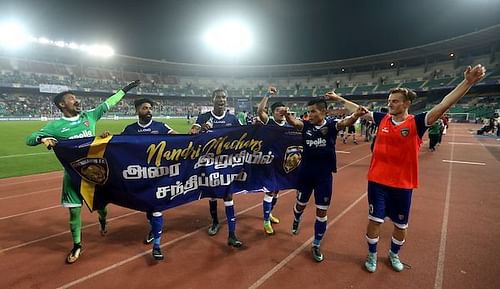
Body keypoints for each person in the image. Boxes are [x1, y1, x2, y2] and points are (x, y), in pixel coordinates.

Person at [357, 65, 485, 273]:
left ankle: (394, 254)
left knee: (401, 226)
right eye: (389, 101)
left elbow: (444, 105)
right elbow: (359, 110)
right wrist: (337, 99)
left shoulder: (417, 122)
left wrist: (468, 82)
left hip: (403, 184)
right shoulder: (382, 119)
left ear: (407, 103)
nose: (390, 104)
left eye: (395, 101)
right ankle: (372, 255)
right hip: (377, 182)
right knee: (374, 221)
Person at [26, 80, 141, 264]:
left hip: (94, 174)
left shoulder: (90, 116)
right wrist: (44, 138)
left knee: (101, 207)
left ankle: (103, 220)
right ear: (62, 104)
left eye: (76, 98)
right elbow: (30, 138)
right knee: (73, 212)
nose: (77, 100)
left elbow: (109, 102)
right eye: (72, 98)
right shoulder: (55, 126)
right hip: (72, 176)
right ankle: (77, 245)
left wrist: (126, 89)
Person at [279, 96, 368, 262]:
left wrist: (355, 115)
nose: (309, 115)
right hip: (305, 175)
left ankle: (316, 244)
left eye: (313, 111)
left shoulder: (332, 125)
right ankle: (297, 218)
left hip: (324, 177)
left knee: (322, 212)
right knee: (300, 205)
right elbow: (295, 123)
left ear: (324, 111)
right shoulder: (305, 126)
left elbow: (345, 123)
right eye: (308, 112)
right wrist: (287, 115)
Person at [122, 98, 177, 260]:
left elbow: (179, 137)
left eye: (150, 108)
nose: (149, 110)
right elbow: (117, 143)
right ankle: (154, 229)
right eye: (145, 108)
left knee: (156, 207)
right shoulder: (130, 129)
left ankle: (157, 246)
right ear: (137, 111)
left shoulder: (160, 126)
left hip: (158, 175)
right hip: (140, 175)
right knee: (148, 207)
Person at [190, 89, 243, 247]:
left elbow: (245, 134)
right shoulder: (203, 117)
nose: (222, 100)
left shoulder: (232, 119)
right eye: (219, 97)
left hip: (226, 162)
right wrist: (201, 129)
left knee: (228, 195)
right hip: (209, 162)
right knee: (212, 194)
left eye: (224, 97)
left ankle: (232, 234)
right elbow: (191, 133)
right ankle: (215, 222)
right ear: (212, 99)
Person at [256, 86, 290, 235]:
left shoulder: (289, 125)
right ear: (273, 112)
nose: (281, 113)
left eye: (283, 110)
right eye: (278, 110)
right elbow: (259, 111)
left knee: (277, 191)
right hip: (269, 163)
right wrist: (267, 95)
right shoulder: (269, 121)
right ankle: (265, 221)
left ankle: (269, 213)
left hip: (282, 163)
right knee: (270, 192)